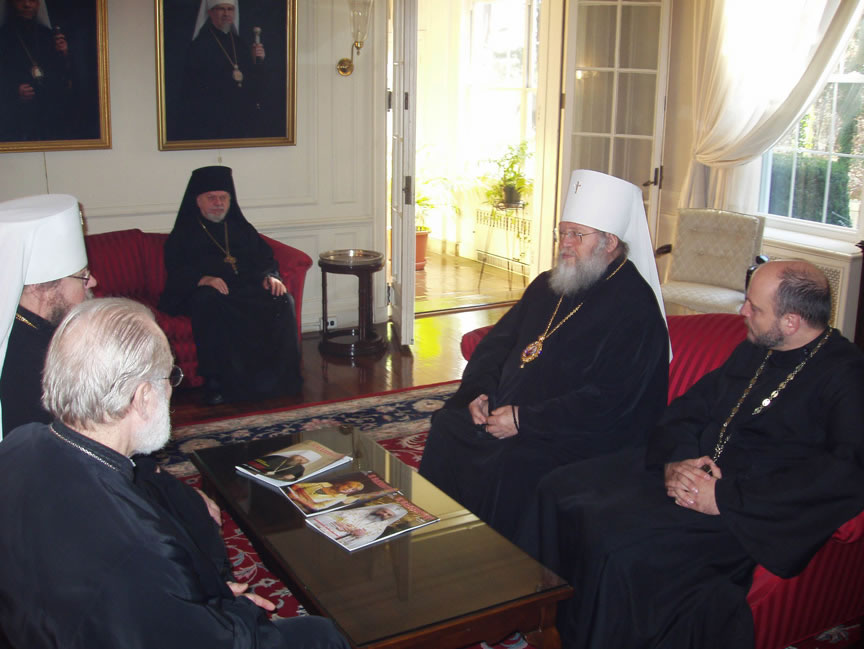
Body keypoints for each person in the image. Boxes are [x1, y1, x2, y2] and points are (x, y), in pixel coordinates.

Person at [519, 260, 864, 649]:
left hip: (745, 510)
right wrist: (675, 462)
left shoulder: (846, 375)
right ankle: (541, 624)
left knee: (619, 547)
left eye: (754, 307)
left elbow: (845, 474)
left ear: (791, 321)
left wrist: (724, 498)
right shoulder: (759, 348)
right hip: (688, 470)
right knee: (558, 488)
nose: (742, 311)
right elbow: (690, 407)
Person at [0, 298, 351, 649]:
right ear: (142, 397)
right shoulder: (142, 550)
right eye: (169, 377)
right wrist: (235, 611)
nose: (171, 390)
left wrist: (193, 602)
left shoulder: (18, 443)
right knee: (320, 634)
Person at [418, 169, 670, 540]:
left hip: (581, 435)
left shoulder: (634, 309)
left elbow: (613, 400)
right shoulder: (549, 285)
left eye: (576, 235)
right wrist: (479, 392)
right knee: (449, 426)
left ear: (610, 242)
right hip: (510, 412)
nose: (564, 244)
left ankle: (494, 560)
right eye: (562, 232)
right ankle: (436, 534)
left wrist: (525, 420)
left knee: (511, 463)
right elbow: (496, 345)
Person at [159, 165, 302, 405]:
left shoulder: (241, 228)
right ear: (198, 201)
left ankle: (282, 380)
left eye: (223, 197)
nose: (218, 203)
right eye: (211, 198)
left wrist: (271, 276)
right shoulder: (184, 233)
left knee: (282, 299)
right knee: (207, 301)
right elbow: (176, 269)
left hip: (245, 289)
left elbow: (265, 258)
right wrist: (203, 279)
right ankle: (217, 384)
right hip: (209, 294)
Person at [0, 194, 97, 437]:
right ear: (39, 288)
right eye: (82, 277)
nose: (93, 282)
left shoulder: (37, 331)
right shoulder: (35, 362)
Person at [176, 0, 268, 140]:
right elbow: (193, 91)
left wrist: (256, 62)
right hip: (211, 123)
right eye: (221, 9)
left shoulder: (240, 44)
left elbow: (253, 85)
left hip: (240, 122)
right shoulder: (199, 46)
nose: (226, 14)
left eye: (230, 9)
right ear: (210, 13)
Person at [0, 0, 75, 141]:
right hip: (17, 118)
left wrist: (64, 55)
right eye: (21, 0)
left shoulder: (48, 36)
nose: (27, 5)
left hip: (50, 115)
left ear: (39, 4)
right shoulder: (3, 36)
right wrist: (13, 91)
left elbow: (64, 80)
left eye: (33, 0)